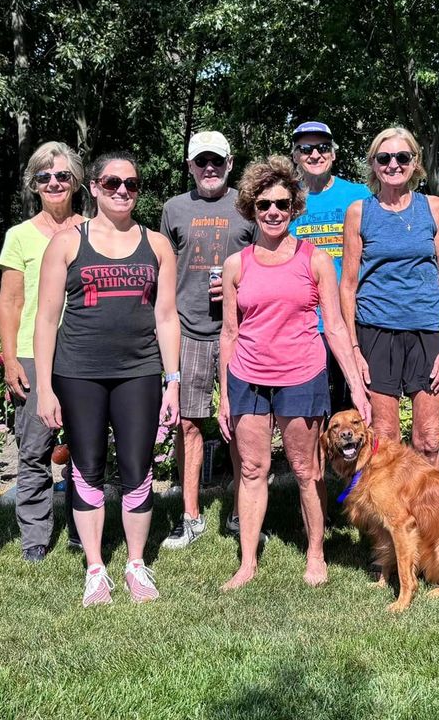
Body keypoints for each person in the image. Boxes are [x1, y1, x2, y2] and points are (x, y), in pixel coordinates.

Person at [33, 152, 181, 606]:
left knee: (139, 468)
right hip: (78, 374)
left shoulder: (156, 245)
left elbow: (167, 317)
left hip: (138, 373)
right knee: (86, 469)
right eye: (113, 182)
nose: (122, 191)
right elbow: (44, 319)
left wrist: (172, 381)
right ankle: (96, 568)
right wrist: (44, 386)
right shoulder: (66, 243)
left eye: (131, 184)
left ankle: (137, 563)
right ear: (94, 187)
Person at [218, 156, 371, 591]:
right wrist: (225, 394)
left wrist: (357, 388)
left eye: (282, 204)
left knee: (306, 470)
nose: (272, 212)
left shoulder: (315, 259)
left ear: (294, 207)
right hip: (248, 377)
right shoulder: (237, 265)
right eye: (264, 204)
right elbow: (229, 333)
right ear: (251, 206)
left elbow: (336, 326)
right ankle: (247, 563)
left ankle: (316, 553)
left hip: (301, 375)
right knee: (252, 469)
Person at [340, 127, 439, 468]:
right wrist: (354, 349)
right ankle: (390, 519)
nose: (393, 164)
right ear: (374, 164)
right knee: (385, 439)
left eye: (402, 157)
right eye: (384, 158)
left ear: (415, 163)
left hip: (428, 332)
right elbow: (347, 286)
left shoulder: (434, 208)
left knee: (428, 441)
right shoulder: (359, 213)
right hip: (376, 333)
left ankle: (433, 519)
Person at [159, 131, 256, 549]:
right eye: (202, 162)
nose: (210, 168)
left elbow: (266, 263)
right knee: (188, 424)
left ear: (230, 163)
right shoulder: (173, 209)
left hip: (242, 330)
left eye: (217, 160)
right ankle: (191, 515)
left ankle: (240, 512)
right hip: (191, 330)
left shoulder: (250, 207)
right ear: (190, 166)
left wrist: (240, 285)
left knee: (241, 424)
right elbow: (164, 269)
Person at [0, 142, 86, 562]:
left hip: (86, 352)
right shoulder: (19, 236)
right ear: (34, 185)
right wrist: (10, 357)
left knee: (86, 449)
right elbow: (11, 302)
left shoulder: (94, 229)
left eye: (62, 176)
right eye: (45, 177)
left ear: (77, 182)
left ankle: (83, 528)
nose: (54, 183)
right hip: (34, 354)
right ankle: (35, 536)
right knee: (34, 450)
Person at [289, 120, 371, 413]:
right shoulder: (287, 201)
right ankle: (317, 461)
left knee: (356, 404)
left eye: (322, 148)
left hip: (353, 319)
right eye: (306, 149)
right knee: (314, 408)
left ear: (334, 154)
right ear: (296, 156)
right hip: (307, 323)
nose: (315, 155)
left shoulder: (359, 196)